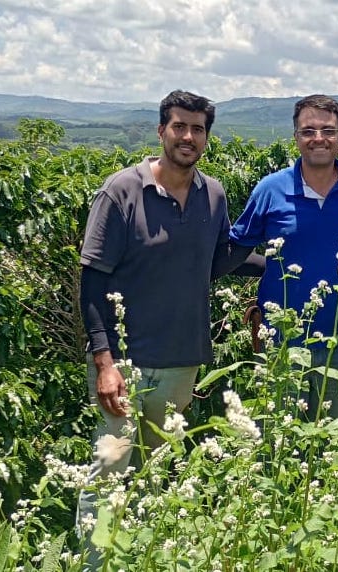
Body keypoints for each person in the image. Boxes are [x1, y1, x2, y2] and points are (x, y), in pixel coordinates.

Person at [76, 90, 260, 564]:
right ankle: (94, 561)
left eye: (198, 129)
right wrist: (105, 363)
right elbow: (92, 282)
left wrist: (278, 255)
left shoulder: (212, 194)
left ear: (206, 137)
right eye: (179, 126)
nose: (188, 136)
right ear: (161, 131)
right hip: (128, 363)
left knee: (156, 471)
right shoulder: (121, 191)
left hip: (182, 359)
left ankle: (140, 557)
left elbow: (216, 262)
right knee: (112, 464)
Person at [229, 95, 338, 422]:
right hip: (284, 341)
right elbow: (236, 250)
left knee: (333, 437)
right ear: (296, 137)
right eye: (308, 131)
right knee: (284, 441)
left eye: (328, 130)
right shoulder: (271, 189)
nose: (318, 139)